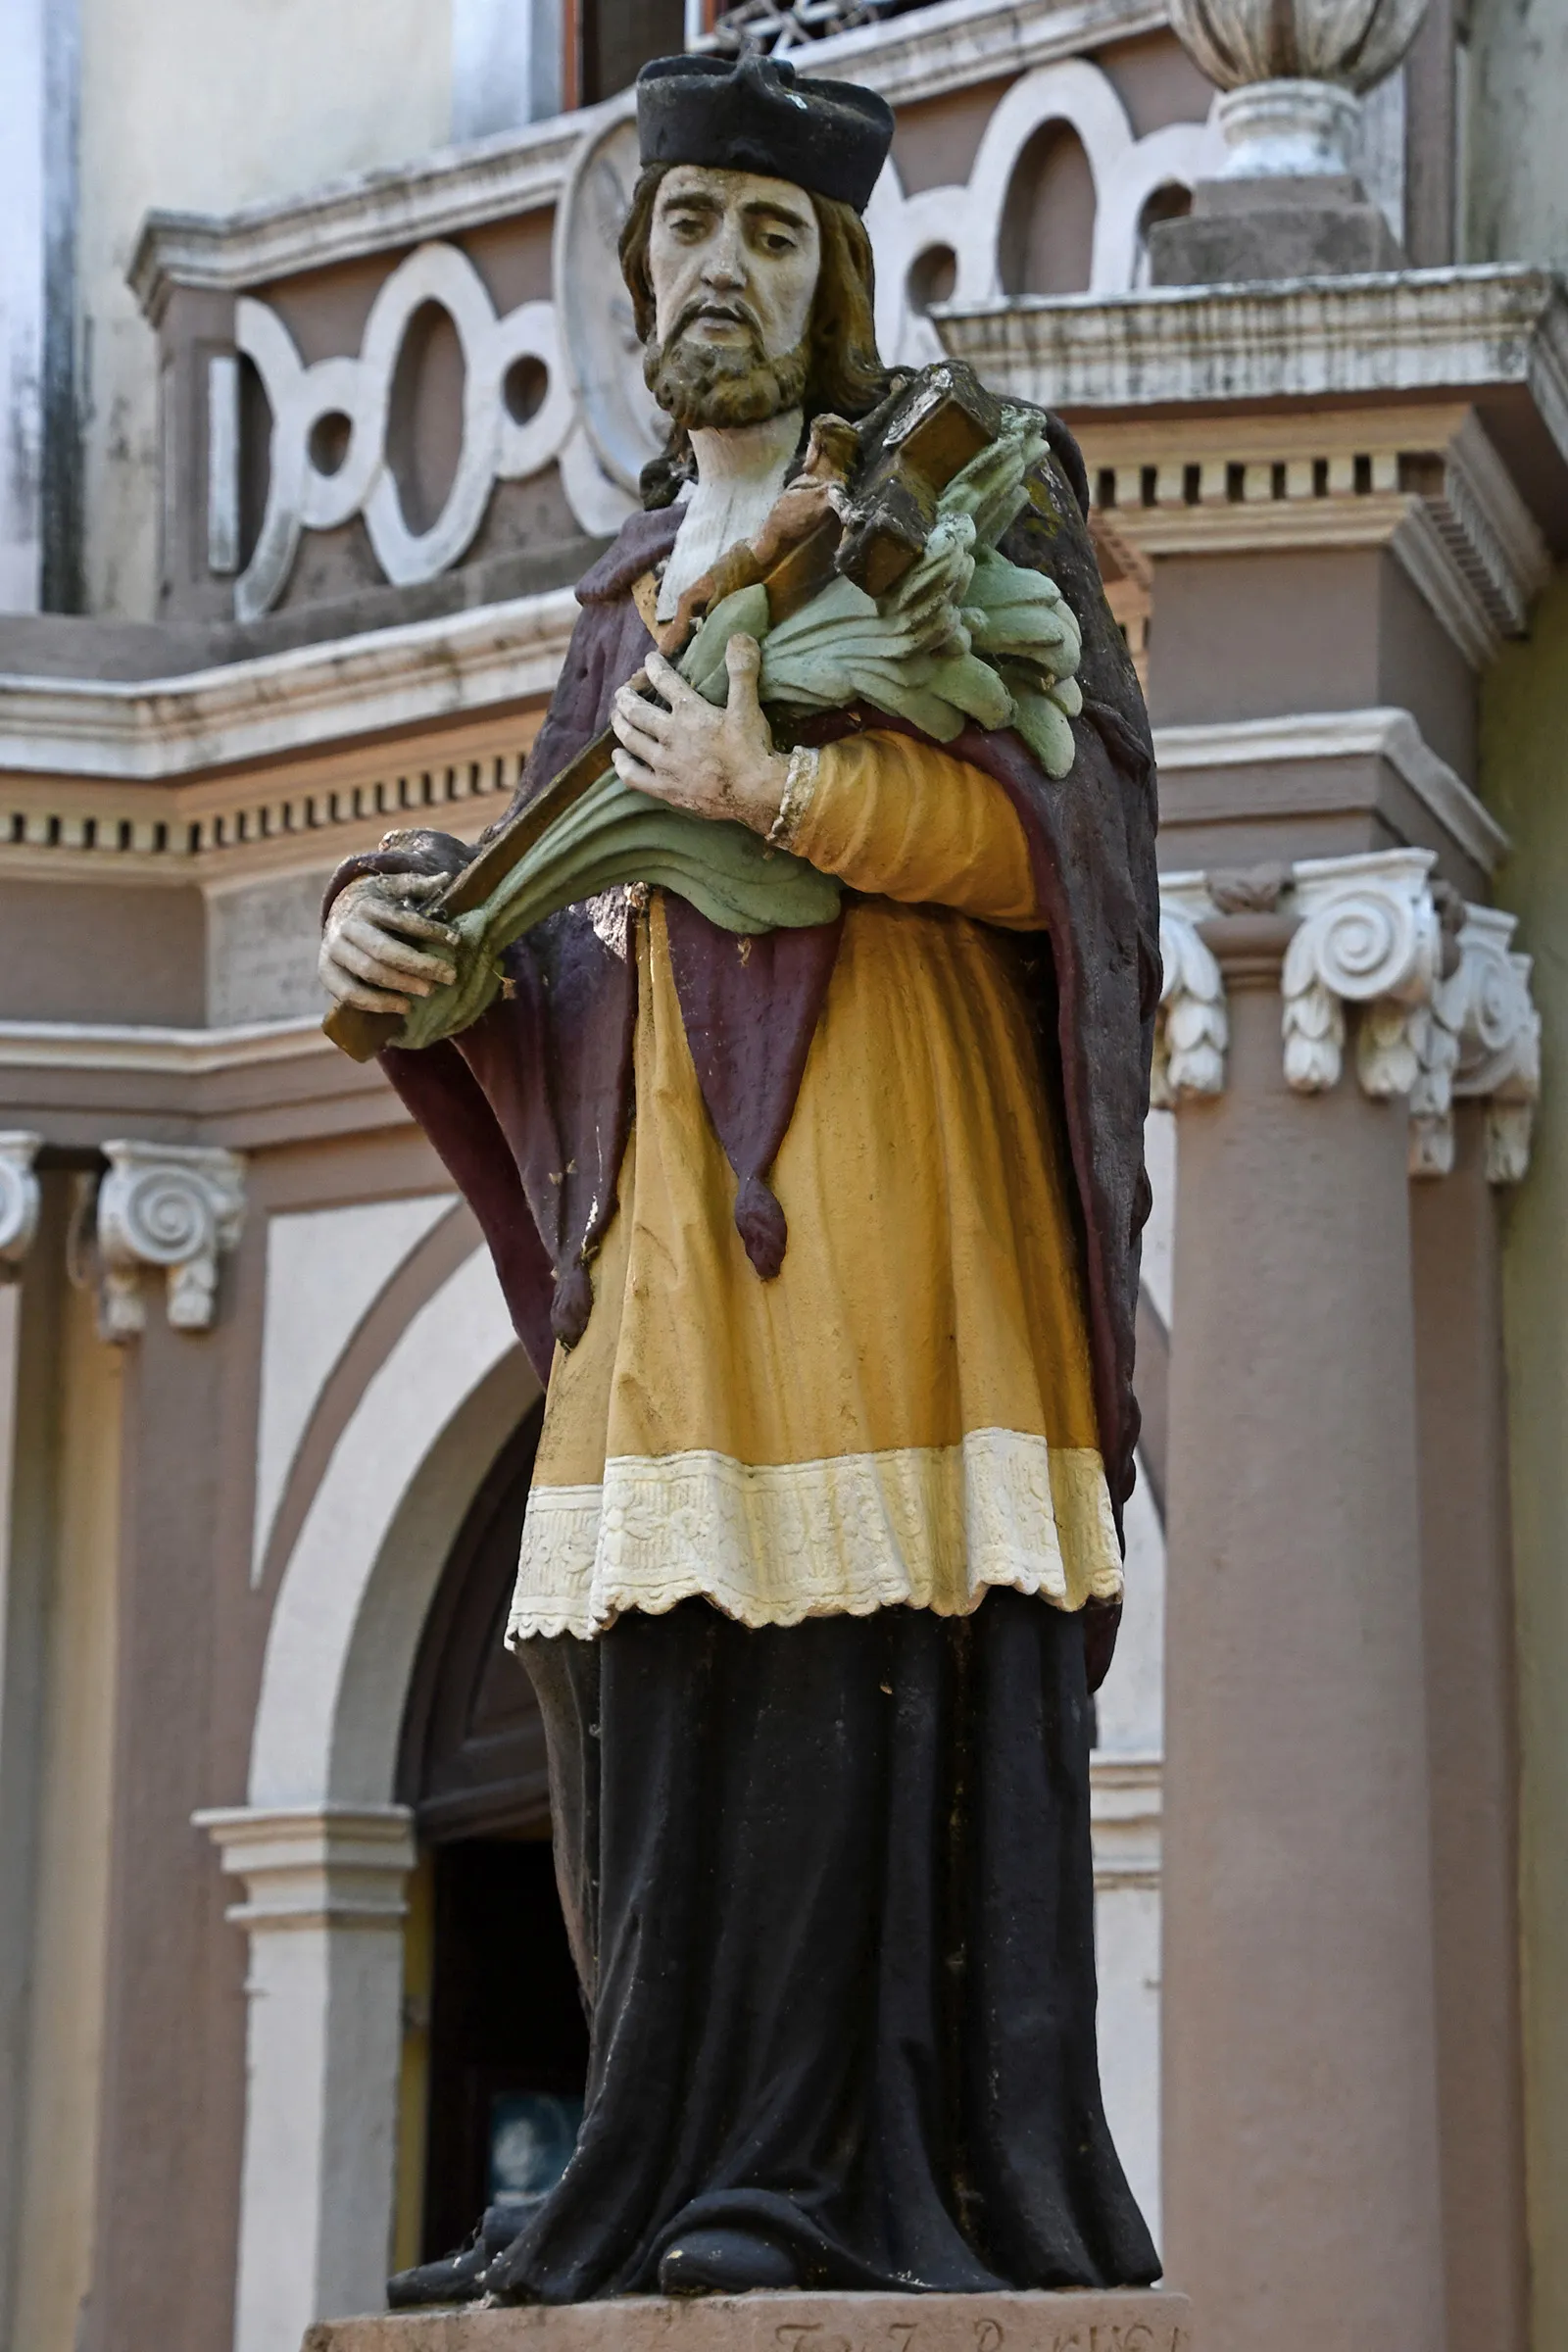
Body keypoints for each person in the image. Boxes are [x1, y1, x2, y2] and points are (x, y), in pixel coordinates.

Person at [319, 48, 1161, 2305]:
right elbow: (565, 939)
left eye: (771, 235)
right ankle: (650, 2156)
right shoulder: (616, 608)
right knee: (645, 1695)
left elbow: (1055, 854)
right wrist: (417, 963)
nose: (725, 268)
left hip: (888, 1207)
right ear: (632, 271)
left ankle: (817, 2177)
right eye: (691, 226)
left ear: (833, 276)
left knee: (853, 1664)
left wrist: (785, 791)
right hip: (659, 1259)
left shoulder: (952, 515)